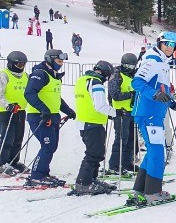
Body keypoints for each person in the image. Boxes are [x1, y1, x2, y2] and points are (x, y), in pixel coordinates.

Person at [128, 32, 176, 205]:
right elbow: (136, 82)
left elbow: (162, 91)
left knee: (153, 152)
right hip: (148, 113)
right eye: (166, 43)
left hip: (154, 113)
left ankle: (141, 190)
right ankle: (153, 192)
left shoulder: (162, 62)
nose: (169, 47)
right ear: (160, 43)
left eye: (173, 45)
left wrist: (173, 104)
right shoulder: (153, 59)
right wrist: (154, 95)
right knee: (158, 153)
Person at [24, 49, 77, 186]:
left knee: (52, 146)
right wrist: (43, 109)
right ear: (49, 60)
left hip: (52, 116)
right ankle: (36, 176)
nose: (61, 64)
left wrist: (68, 110)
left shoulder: (53, 75)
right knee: (47, 146)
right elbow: (29, 93)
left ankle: (43, 173)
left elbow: (55, 97)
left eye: (62, 62)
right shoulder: (40, 74)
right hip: (39, 116)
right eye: (58, 61)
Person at [72, 61, 118, 195]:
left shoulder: (83, 80)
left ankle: (92, 179)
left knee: (97, 152)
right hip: (92, 122)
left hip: (85, 121)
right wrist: (116, 113)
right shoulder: (96, 83)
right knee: (94, 153)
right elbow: (100, 105)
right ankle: (83, 183)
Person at [105, 53, 138, 176]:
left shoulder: (134, 75)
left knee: (131, 139)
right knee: (121, 138)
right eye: (128, 65)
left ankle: (126, 162)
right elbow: (115, 95)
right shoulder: (116, 75)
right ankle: (114, 165)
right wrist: (131, 94)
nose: (131, 68)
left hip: (132, 111)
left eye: (133, 66)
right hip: (121, 112)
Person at [0, 51, 29, 174]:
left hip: (21, 110)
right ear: (11, 63)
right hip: (7, 112)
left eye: (23, 64)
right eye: (18, 64)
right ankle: (2, 162)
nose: (21, 67)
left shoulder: (25, 76)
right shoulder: (4, 75)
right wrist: (8, 106)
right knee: (8, 138)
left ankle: (14, 160)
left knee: (18, 137)